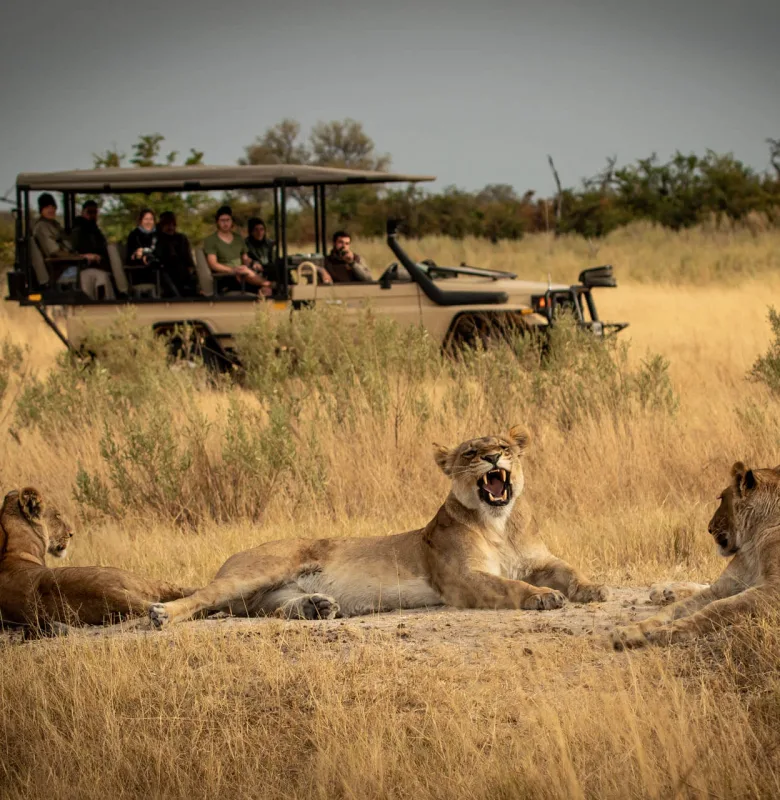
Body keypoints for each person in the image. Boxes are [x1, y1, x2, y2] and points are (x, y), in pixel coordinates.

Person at [32, 193, 115, 300]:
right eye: (47, 207)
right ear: (41, 209)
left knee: (100, 271)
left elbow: (69, 245)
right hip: (59, 270)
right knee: (99, 275)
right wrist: (83, 257)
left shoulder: (54, 224)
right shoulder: (42, 227)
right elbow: (55, 252)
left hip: (69, 265)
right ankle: (103, 305)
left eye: (53, 207)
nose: (51, 210)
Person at [203, 206, 271, 296]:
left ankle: (263, 303)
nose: (225, 223)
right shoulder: (211, 240)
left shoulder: (238, 238)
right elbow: (213, 264)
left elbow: (245, 258)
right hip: (225, 277)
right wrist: (233, 270)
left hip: (243, 276)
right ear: (217, 222)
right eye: (222, 220)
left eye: (228, 220)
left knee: (267, 290)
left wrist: (253, 263)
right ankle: (270, 283)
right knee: (244, 271)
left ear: (232, 222)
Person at [155, 211, 198, 297]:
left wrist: (191, 267)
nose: (170, 227)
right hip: (165, 270)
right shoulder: (159, 239)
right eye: (167, 224)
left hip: (182, 270)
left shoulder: (181, 238)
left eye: (172, 224)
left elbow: (187, 256)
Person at [124, 208, 159, 287]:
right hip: (141, 270)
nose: (148, 222)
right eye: (146, 219)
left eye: (151, 219)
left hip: (157, 266)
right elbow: (131, 256)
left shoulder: (157, 235)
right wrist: (140, 255)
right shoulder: (134, 235)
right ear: (140, 221)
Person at [244, 217, 279, 285]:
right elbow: (246, 259)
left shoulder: (269, 243)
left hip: (269, 270)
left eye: (262, 229)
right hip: (255, 272)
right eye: (256, 230)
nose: (259, 232)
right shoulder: (245, 244)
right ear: (251, 232)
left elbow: (274, 260)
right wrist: (253, 263)